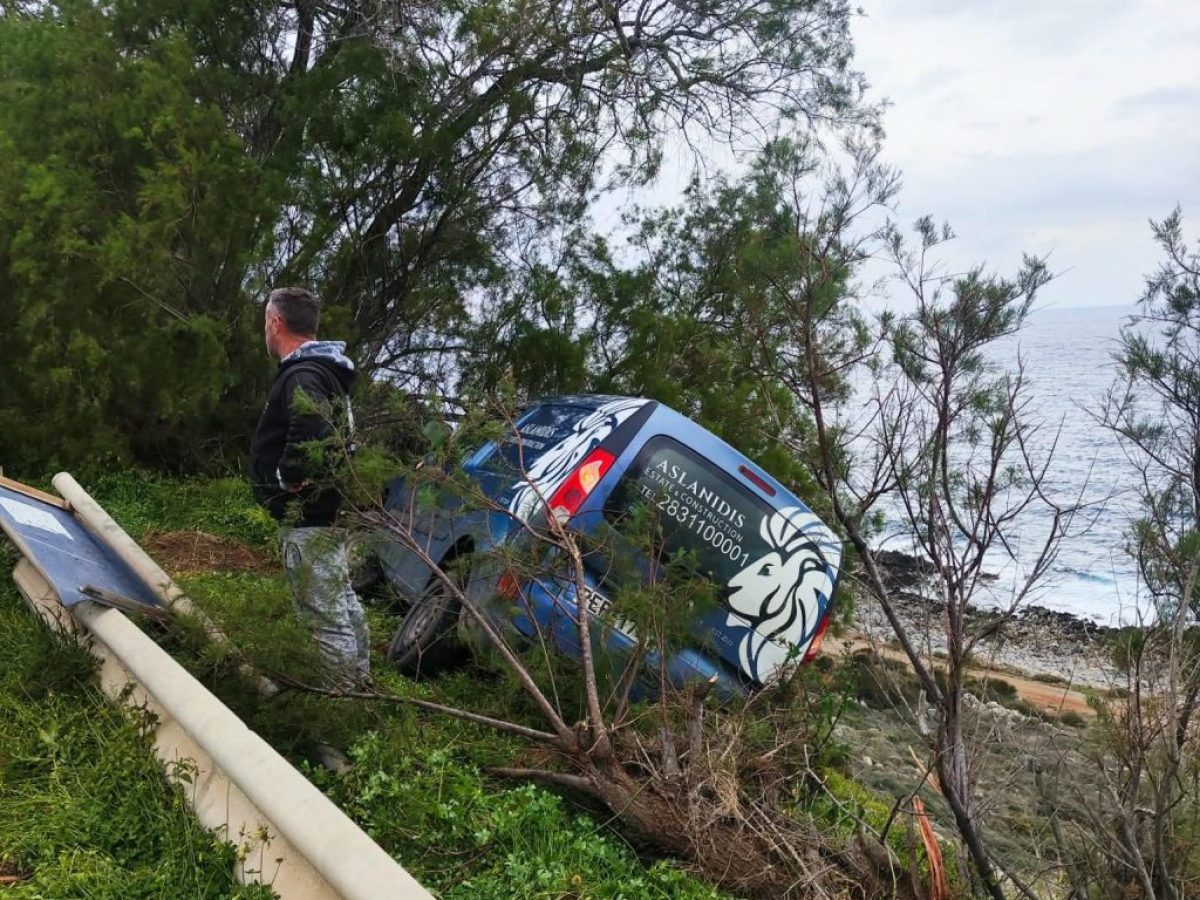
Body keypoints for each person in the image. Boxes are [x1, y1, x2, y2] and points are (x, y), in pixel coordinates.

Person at [250, 286, 368, 687]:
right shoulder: (324, 370)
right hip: (326, 511)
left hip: (308, 516)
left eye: (266, 321)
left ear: (275, 322)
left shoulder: (303, 374)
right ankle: (361, 682)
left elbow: (314, 426)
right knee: (342, 602)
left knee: (324, 614)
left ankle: (337, 699)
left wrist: (288, 477)